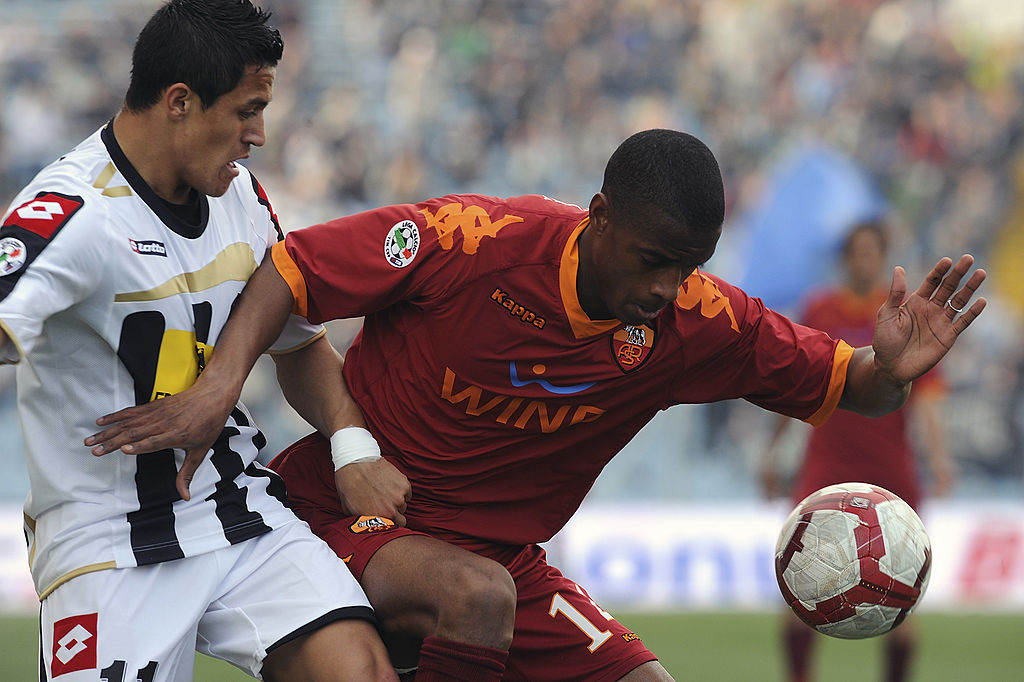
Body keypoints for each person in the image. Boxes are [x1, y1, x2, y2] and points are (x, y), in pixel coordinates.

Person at [86, 128, 987, 681]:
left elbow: (851, 386)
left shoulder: (702, 322)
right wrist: (219, 389)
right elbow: (292, 270)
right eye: (653, 260)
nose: (671, 287)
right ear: (597, 214)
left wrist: (893, 368)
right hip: (345, 514)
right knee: (475, 602)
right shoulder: (475, 242)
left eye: (692, 265)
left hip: (506, 560)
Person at [0, 1, 396, 680]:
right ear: (180, 101)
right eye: (246, 111)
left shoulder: (240, 197)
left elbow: (297, 343)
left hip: (236, 514)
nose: (259, 135)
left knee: (358, 670)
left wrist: (351, 446)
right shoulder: (72, 212)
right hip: (107, 542)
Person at [760, 220, 956, 682]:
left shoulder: (904, 317)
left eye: (871, 252)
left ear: (882, 257)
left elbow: (926, 396)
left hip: (891, 470)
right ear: (845, 258)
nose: (862, 260)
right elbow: (795, 383)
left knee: (901, 601)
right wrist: (772, 453)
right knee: (801, 587)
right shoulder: (819, 308)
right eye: (855, 252)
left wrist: (940, 457)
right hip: (825, 468)